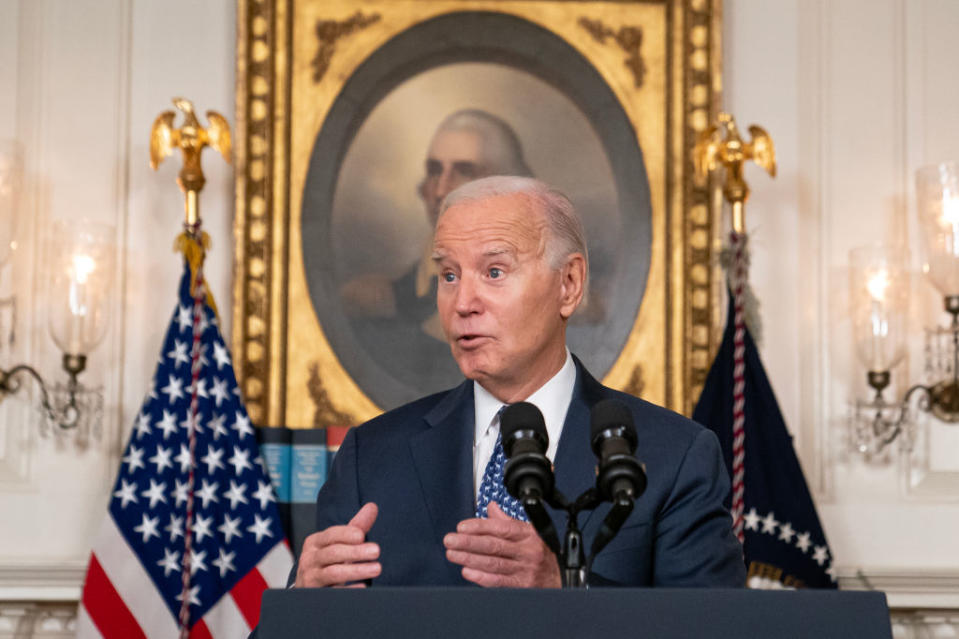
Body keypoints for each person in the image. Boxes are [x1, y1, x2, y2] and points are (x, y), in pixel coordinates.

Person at [296, 176, 745, 588]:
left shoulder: (677, 458)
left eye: (494, 272)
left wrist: (566, 590)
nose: (462, 302)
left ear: (569, 284)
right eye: (448, 275)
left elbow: (712, 632)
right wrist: (302, 609)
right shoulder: (369, 459)